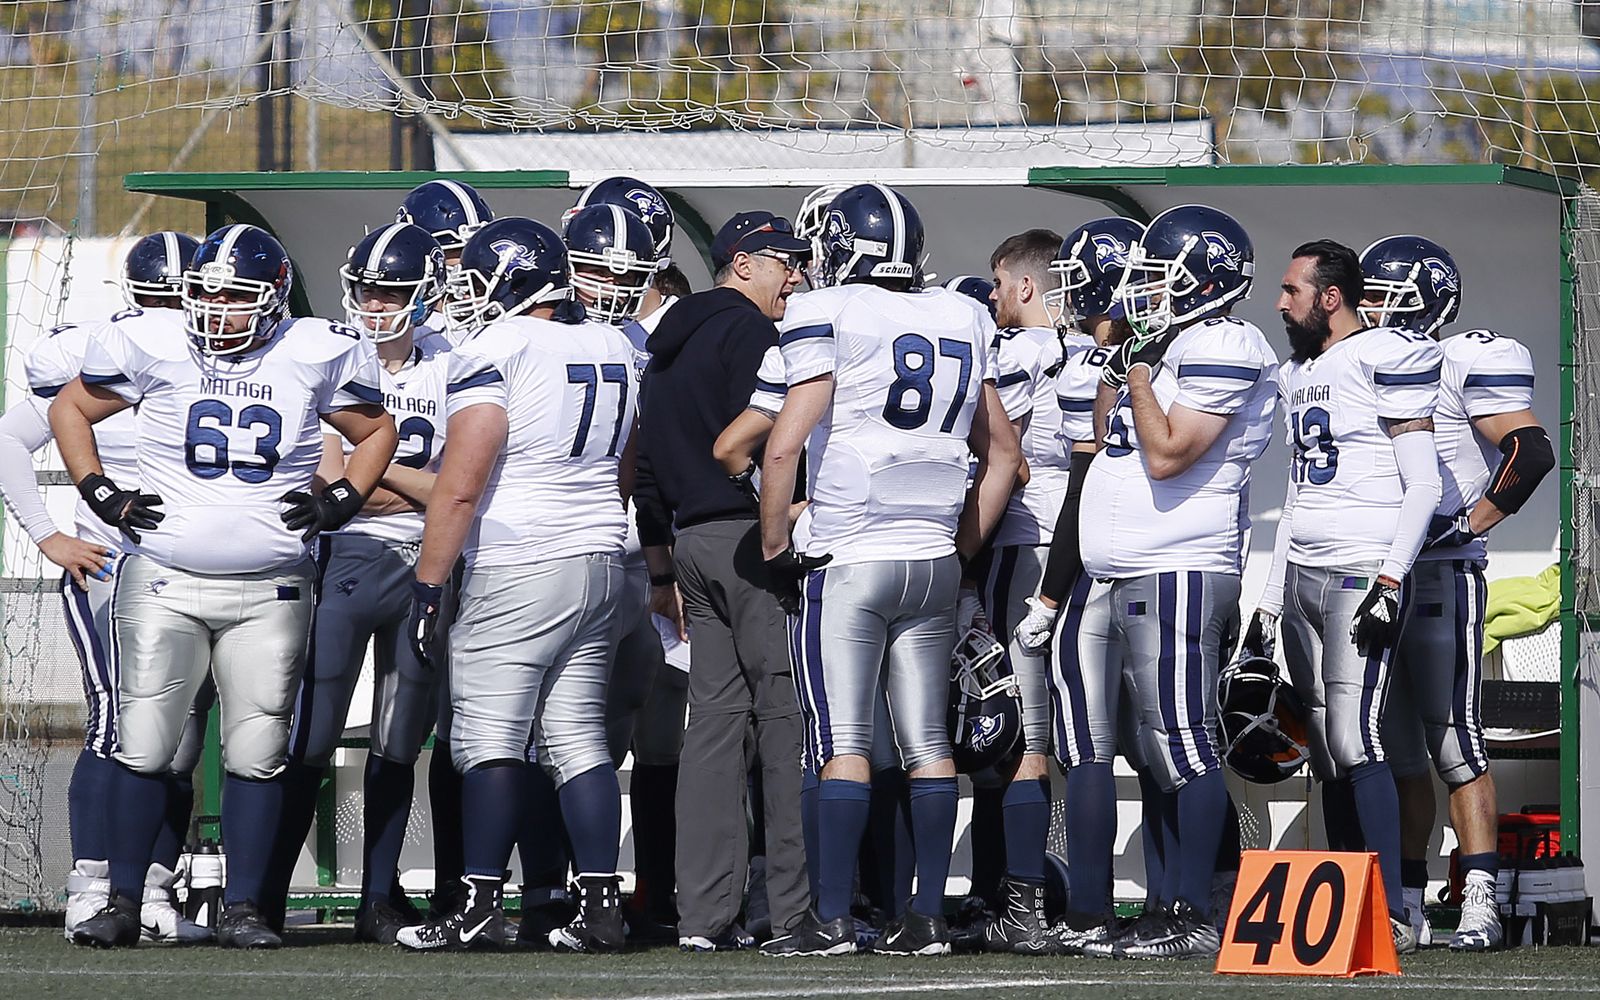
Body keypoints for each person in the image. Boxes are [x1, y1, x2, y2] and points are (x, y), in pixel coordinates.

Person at [53, 224, 397, 949]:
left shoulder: (313, 350)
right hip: (165, 580)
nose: (218, 312)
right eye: (206, 296)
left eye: (237, 297)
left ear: (272, 298)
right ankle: (122, 897)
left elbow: (377, 431)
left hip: (270, 587)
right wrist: (100, 493)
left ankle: (244, 907)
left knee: (257, 747)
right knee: (143, 742)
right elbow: (69, 408)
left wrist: (342, 501)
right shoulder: (154, 343)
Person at [756, 182, 1021, 958]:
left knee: (843, 740)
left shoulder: (828, 312)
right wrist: (961, 546)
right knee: (927, 743)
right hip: (933, 556)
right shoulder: (964, 313)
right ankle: (927, 917)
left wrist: (776, 545)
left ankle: (832, 919)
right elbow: (1002, 454)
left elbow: (780, 448)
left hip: (852, 558)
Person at [396, 217, 637, 954]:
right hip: (599, 557)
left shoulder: (496, 347)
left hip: (521, 562)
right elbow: (625, 466)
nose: (465, 296)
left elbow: (459, 488)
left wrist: (429, 586)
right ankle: (600, 909)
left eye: (473, 280)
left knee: (489, 739)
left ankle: (476, 906)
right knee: (576, 737)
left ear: (505, 279)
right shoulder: (613, 342)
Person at [1064, 205, 1278, 960]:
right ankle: (1164, 905)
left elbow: (1166, 453)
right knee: (1155, 749)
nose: (1143, 291)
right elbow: (1107, 440)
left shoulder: (1227, 340)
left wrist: (1141, 373)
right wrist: (1134, 366)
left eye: (1158, 275)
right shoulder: (1173, 343)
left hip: (1182, 568)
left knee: (1183, 743)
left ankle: (1195, 910)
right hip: (1132, 570)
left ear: (1202, 281)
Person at [0, 232, 213, 945]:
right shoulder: (104, 353)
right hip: (115, 564)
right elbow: (8, 442)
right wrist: (49, 535)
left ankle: (151, 887)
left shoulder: (227, 357)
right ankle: (93, 884)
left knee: (178, 738)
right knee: (117, 725)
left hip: (196, 571)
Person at [259, 222, 453, 943]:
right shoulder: (331, 353)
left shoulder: (453, 362)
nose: (375, 306)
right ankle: (265, 896)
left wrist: (383, 467)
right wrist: (416, 482)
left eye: (392, 292)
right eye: (367, 292)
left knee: (401, 738)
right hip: (341, 559)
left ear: (424, 295)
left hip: (422, 568)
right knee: (309, 732)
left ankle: (380, 895)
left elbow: (458, 489)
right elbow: (336, 482)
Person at [1252, 238, 1445, 957]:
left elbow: (1422, 482)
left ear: (1330, 296)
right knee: (1325, 754)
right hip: (1304, 571)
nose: (1281, 302)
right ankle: (1350, 907)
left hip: (1361, 570)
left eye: (1292, 289)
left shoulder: (1384, 354)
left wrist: (1392, 573)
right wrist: (1270, 601)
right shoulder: (1300, 370)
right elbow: (1297, 493)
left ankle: (1397, 909)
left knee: (1354, 738)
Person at [1361, 235, 1552, 952]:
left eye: (1383, 295)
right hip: (1380, 571)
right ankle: (1405, 904)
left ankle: (1479, 899)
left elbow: (1529, 452)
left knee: (1454, 743)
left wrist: (1463, 527)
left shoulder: (1467, 355)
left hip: (1442, 572)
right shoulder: (1361, 364)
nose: (1370, 309)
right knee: (1398, 748)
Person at [633, 209, 813, 952]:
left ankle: (704, 917)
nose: (796, 275)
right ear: (743, 264)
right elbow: (769, 441)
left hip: (691, 547)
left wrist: (662, 565)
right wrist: (783, 524)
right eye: (785, 261)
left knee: (709, 729)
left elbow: (641, 468)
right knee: (783, 723)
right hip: (750, 540)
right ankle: (791, 913)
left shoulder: (661, 344)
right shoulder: (750, 333)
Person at [1010, 217, 1147, 952]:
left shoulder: (1086, 367)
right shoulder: (1177, 352)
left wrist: (1048, 595)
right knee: (1166, 742)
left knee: (1090, 744)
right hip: (1178, 565)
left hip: (1095, 568)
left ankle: (1091, 907)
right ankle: (1188, 899)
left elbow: (1080, 490)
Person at [965, 228, 1068, 954]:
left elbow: (1011, 460)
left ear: (1026, 285)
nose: (994, 297)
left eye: (999, 283)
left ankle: (1017, 899)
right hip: (1076, 553)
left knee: (1009, 727)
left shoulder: (1024, 351)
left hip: (1022, 548)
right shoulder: (1090, 350)